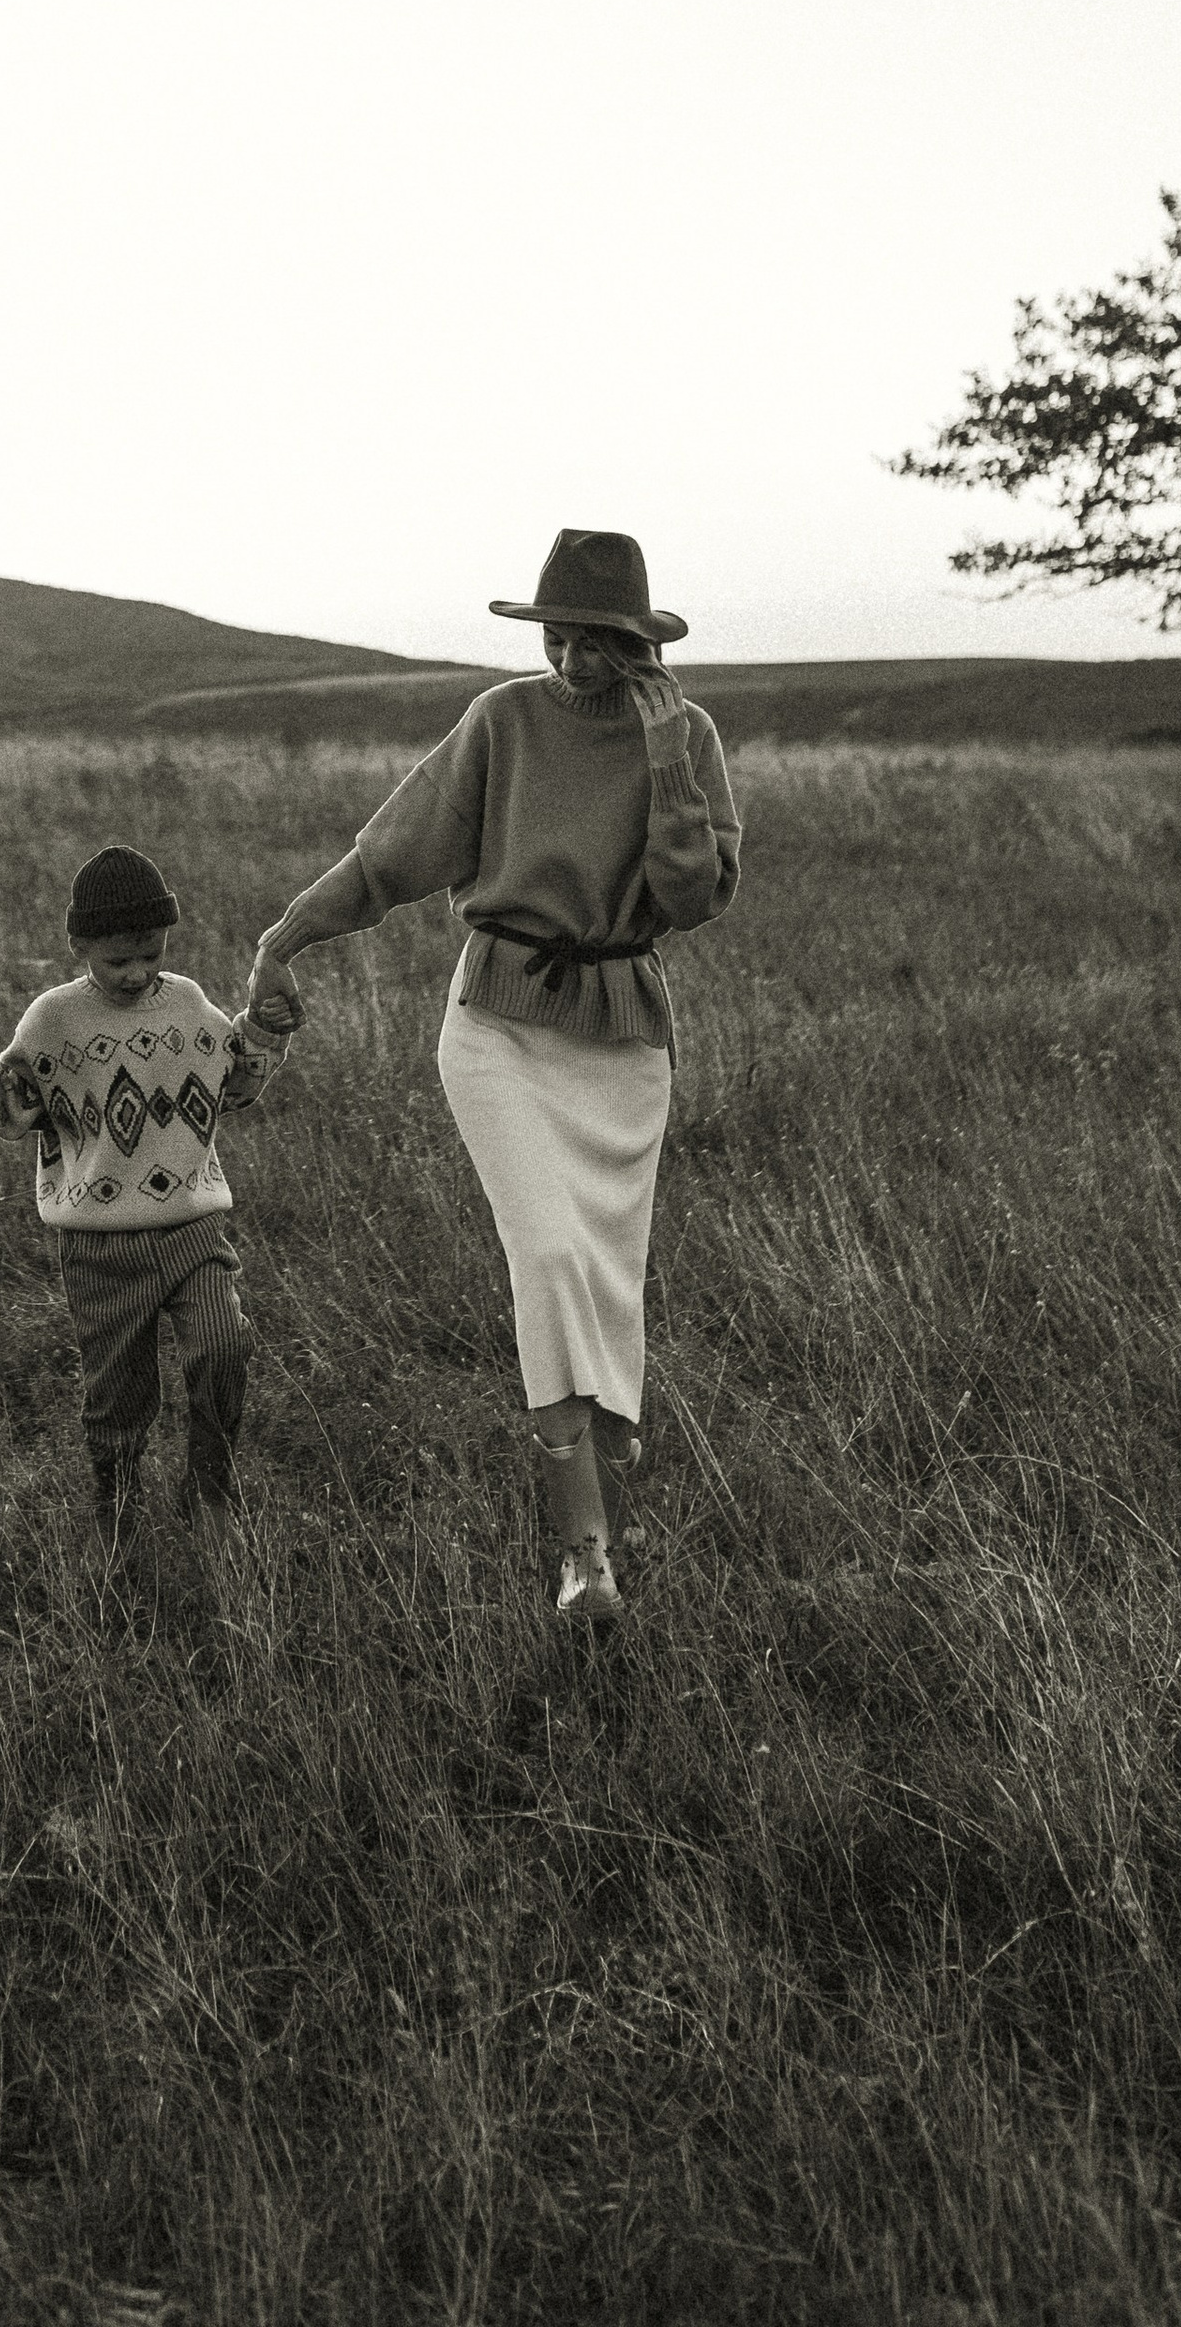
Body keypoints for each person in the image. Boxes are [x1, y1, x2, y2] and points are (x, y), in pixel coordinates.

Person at [245, 530, 739, 1630]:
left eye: (594, 643)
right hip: (497, 1027)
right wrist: (286, 936)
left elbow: (694, 894)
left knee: (609, 1285)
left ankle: (611, 1519)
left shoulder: (689, 737)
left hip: (620, 1041)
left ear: (638, 645)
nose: (569, 661)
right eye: (555, 638)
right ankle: (581, 1561)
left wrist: (663, 765)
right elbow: (393, 858)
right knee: (550, 1256)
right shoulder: (500, 721)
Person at [0, 843, 291, 1565]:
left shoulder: (187, 1003)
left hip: (193, 1227)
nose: (136, 974)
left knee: (224, 1346)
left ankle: (211, 1487)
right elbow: (13, 1115)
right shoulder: (51, 1022)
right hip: (98, 1245)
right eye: (117, 960)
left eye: (150, 955)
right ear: (80, 945)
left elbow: (236, 1087)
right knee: (117, 1395)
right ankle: (116, 1507)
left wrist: (266, 1028)